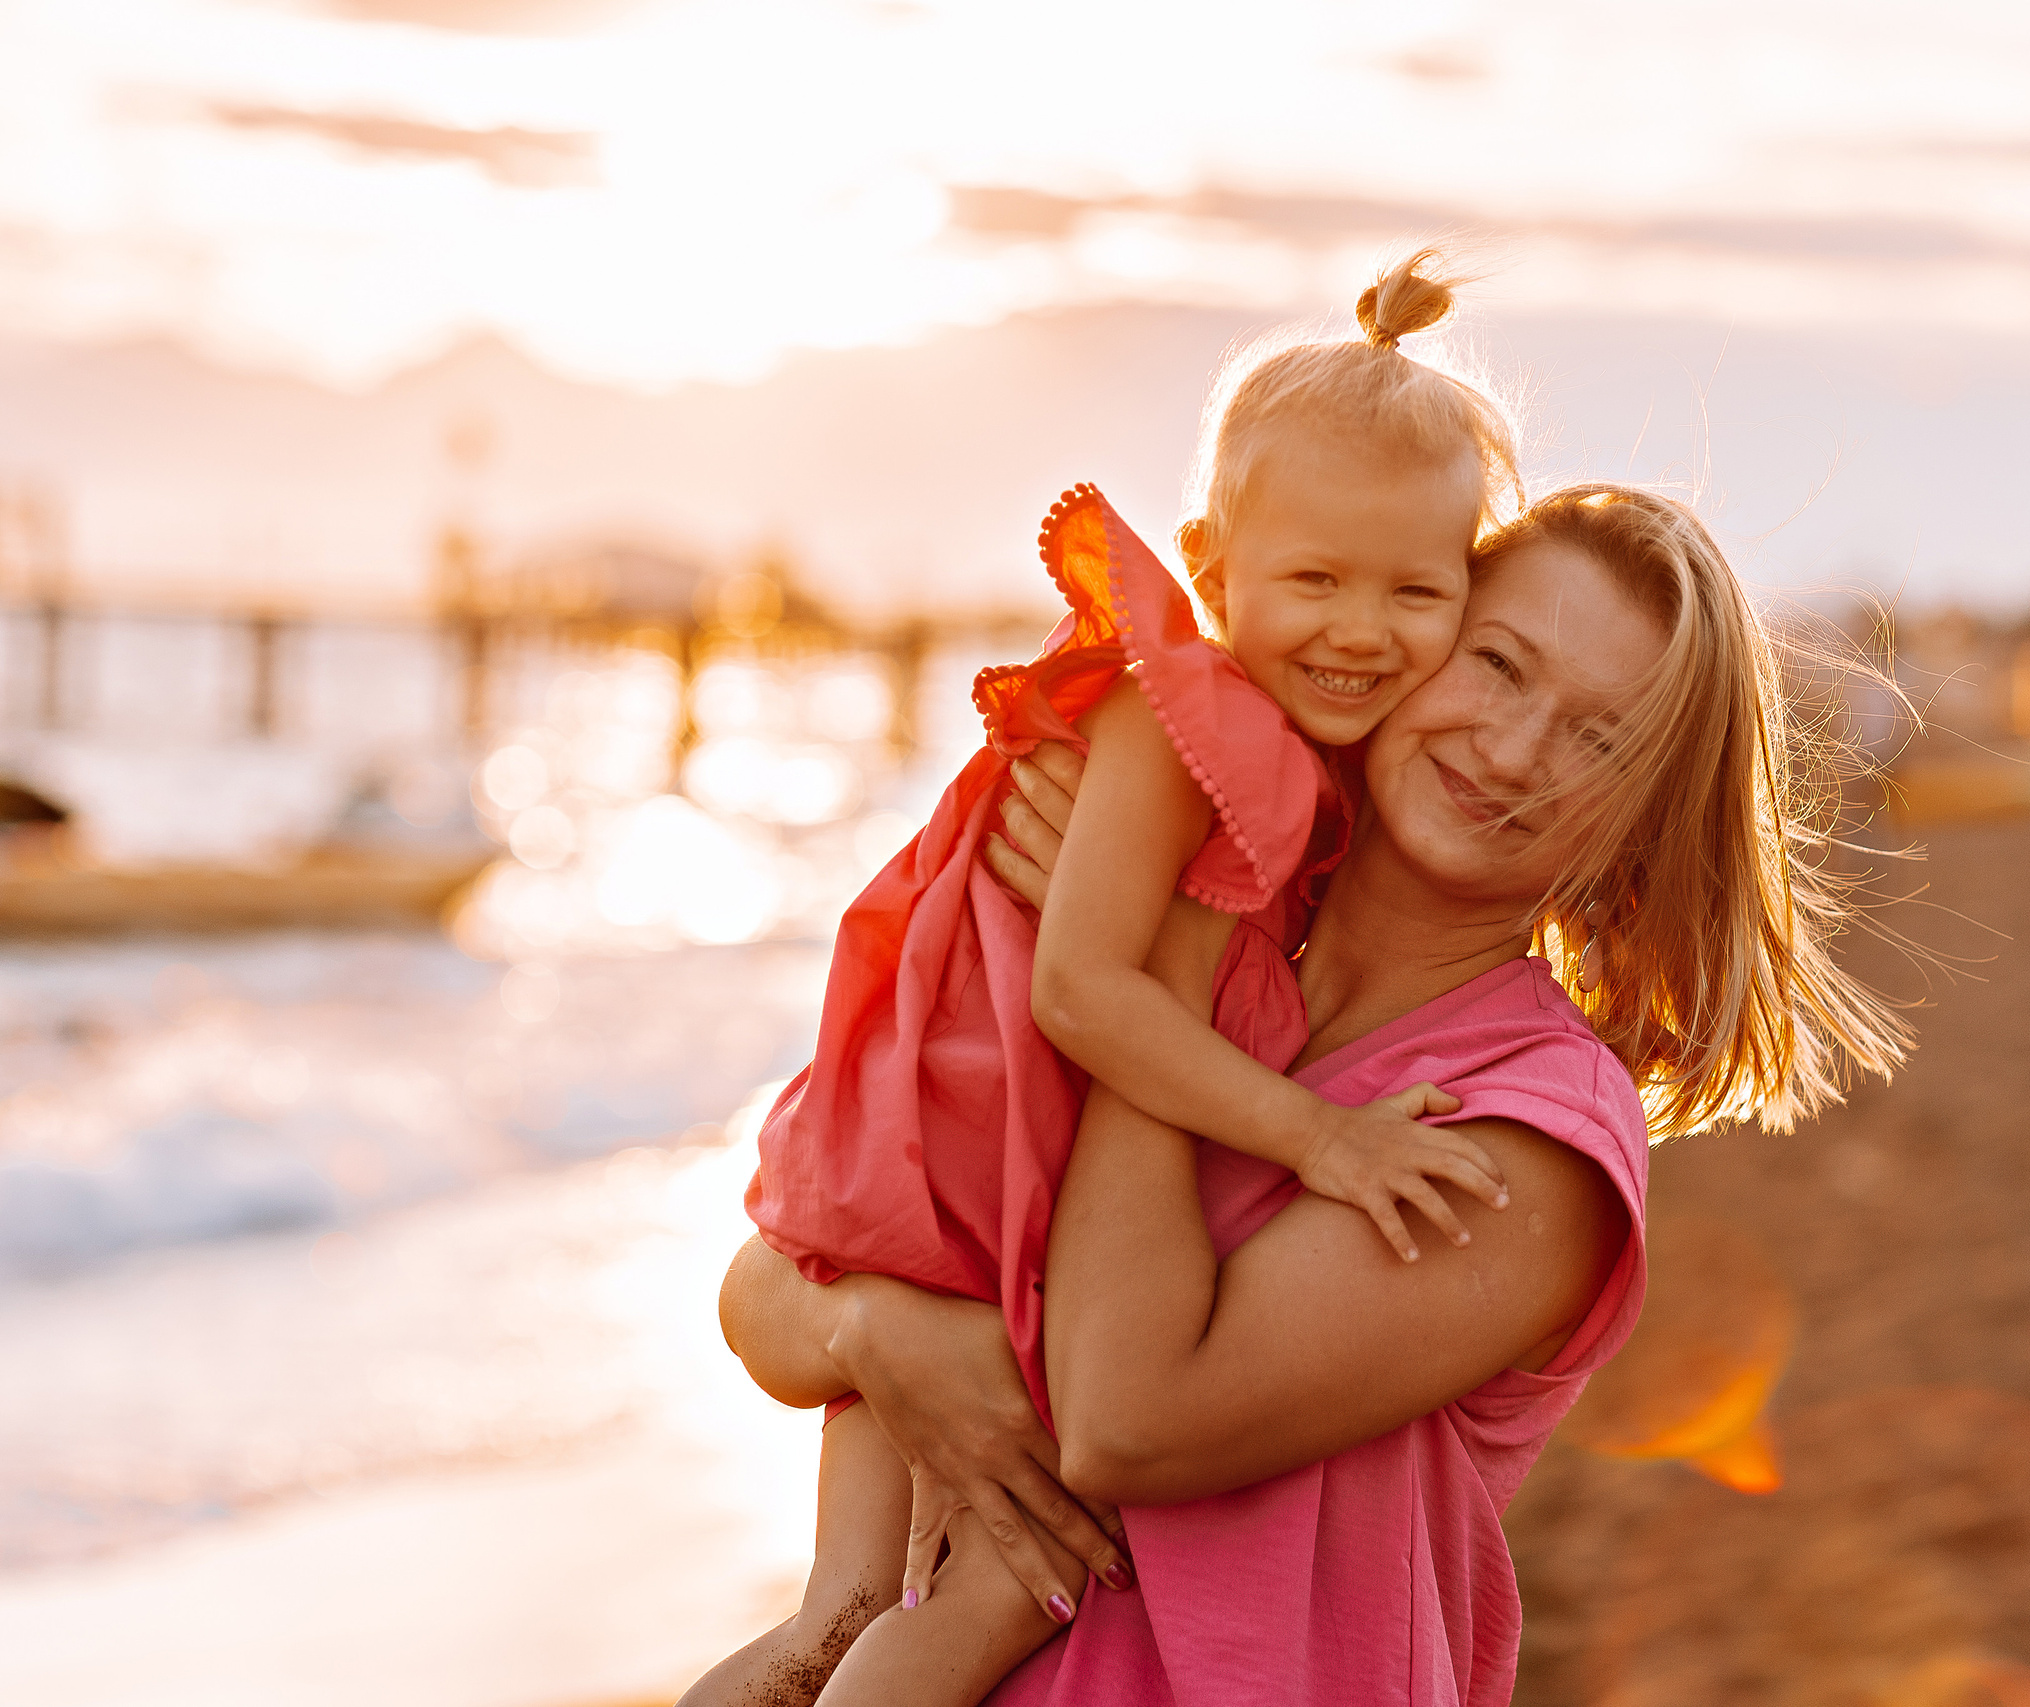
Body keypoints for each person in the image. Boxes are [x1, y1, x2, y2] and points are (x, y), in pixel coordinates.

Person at [718, 484, 1912, 1704]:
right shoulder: (1195, 959)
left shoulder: (1534, 1133)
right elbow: (782, 1262)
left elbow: (1129, 1419)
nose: (1512, 750)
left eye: (1598, 740)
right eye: (1497, 663)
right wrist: (876, 1332)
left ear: (1641, 828)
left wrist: (1151, 968)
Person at [681, 252, 1528, 1707]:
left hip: (958, 1144)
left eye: (1416, 588)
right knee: (999, 1582)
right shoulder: (1196, 724)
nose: (1361, 628)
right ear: (1210, 569)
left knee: (855, 1603)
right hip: (977, 1152)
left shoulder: (1270, 750)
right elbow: (1081, 991)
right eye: (1313, 577)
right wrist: (1318, 1132)